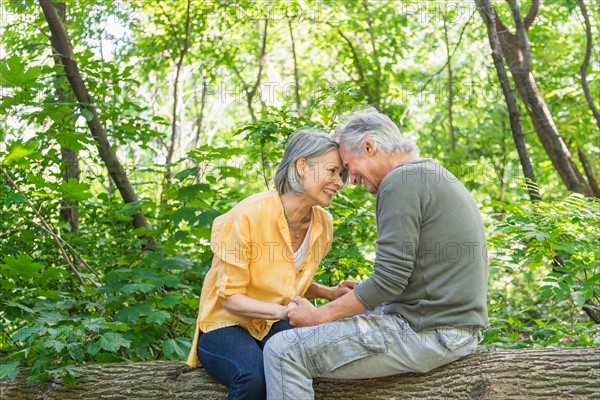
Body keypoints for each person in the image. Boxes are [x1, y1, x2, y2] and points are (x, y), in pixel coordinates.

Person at [264, 107, 489, 399]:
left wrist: (318, 317)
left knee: (283, 350)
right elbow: (411, 278)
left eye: (348, 165)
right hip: (447, 328)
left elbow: (389, 280)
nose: (351, 180)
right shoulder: (429, 173)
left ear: (369, 146)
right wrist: (362, 298)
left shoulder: (401, 182)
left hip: (431, 333)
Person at [185, 128, 351, 400]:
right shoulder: (249, 214)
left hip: (273, 323)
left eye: (341, 175)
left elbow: (287, 281)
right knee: (254, 376)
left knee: (311, 362)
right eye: (332, 171)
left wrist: (328, 292)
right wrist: (284, 313)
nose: (340, 182)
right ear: (301, 166)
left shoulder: (323, 225)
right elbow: (230, 297)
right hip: (226, 324)